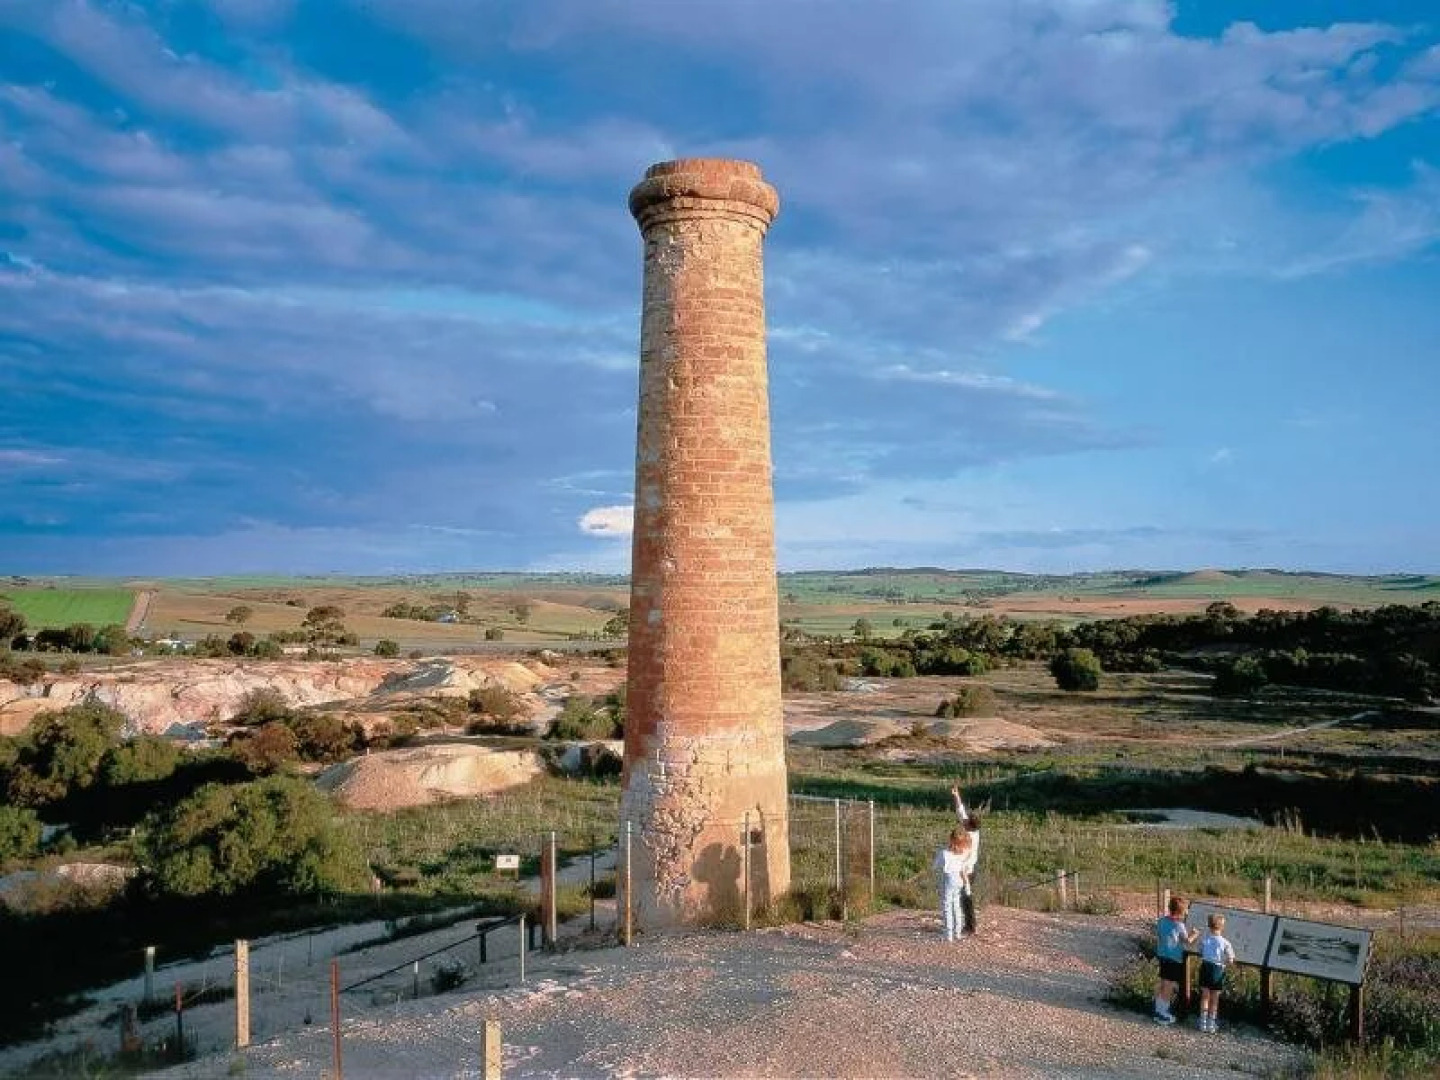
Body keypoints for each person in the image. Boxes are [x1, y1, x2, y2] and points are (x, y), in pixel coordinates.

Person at [1154, 895, 1200, 1025]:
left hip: (1162, 955)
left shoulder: (1162, 920)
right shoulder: (1179, 925)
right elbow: (1187, 941)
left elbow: (1159, 934)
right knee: (1169, 985)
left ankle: (1158, 1010)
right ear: (1182, 911)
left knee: (1163, 982)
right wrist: (1195, 934)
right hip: (1173, 957)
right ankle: (1164, 1013)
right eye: (1186, 910)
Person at [1197, 913, 1236, 1033]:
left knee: (1205, 996)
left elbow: (1200, 952)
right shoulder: (1225, 942)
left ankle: (1202, 1023)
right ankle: (1211, 1023)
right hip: (1218, 969)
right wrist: (1224, 962)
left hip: (1205, 967)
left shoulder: (1204, 940)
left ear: (1209, 926)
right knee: (1215, 998)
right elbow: (1230, 959)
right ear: (1222, 927)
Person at [932, 828, 972, 942]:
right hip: (960, 880)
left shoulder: (943, 852)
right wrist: (967, 886)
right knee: (956, 905)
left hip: (949, 880)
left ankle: (948, 935)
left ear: (950, 839)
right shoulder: (964, 853)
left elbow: (934, 866)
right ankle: (957, 933)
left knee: (947, 907)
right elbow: (964, 870)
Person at [950, 785, 981, 935]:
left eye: (966, 821)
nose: (964, 821)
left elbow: (967, 857)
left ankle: (970, 926)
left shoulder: (971, 837)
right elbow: (960, 811)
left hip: (967, 870)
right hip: (967, 869)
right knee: (963, 897)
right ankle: (967, 924)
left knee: (965, 898)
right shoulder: (973, 831)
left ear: (969, 826)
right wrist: (956, 795)